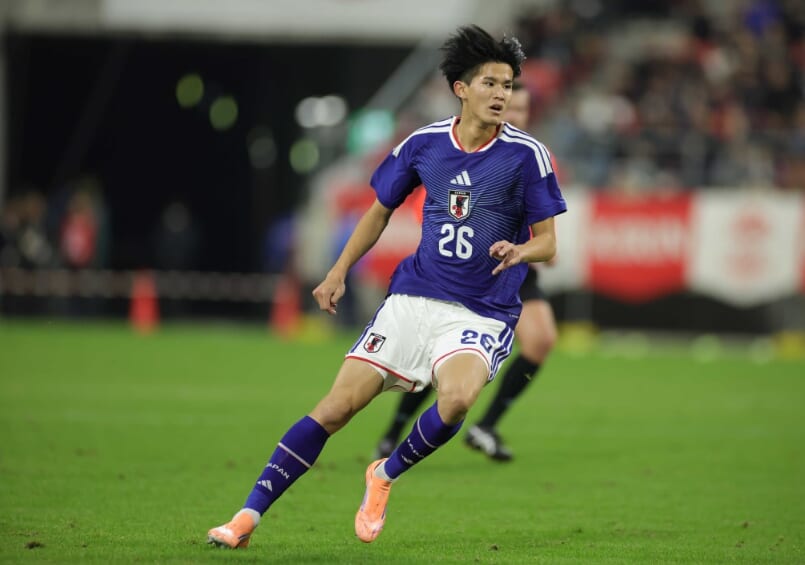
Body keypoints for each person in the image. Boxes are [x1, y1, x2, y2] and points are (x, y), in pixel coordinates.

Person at [207, 24, 567, 549]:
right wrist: (337, 271)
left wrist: (520, 250)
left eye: (507, 85)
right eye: (490, 83)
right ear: (461, 88)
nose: (501, 95)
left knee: (457, 400)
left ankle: (385, 473)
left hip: (480, 311)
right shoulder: (424, 144)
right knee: (335, 408)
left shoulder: (526, 154)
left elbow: (549, 243)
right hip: (412, 300)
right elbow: (379, 211)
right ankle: (245, 517)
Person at [373, 82, 559, 462]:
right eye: (511, 109)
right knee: (445, 359)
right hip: (465, 267)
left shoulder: (534, 155)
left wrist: (533, 248)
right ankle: (394, 431)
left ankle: (486, 426)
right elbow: (437, 205)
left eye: (522, 110)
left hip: (514, 264)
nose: (515, 116)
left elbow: (545, 221)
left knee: (541, 340)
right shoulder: (462, 149)